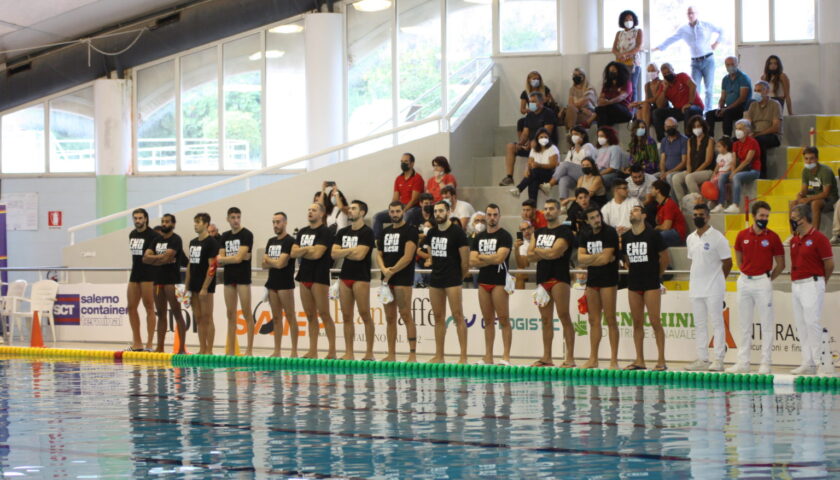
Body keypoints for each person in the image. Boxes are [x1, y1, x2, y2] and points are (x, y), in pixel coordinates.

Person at [728, 201, 784, 374]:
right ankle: (743, 362)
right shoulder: (742, 235)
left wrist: (767, 279)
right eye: (761, 216)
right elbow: (739, 257)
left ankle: (766, 363)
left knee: (766, 323)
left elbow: (781, 264)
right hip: (744, 281)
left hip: (763, 282)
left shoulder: (773, 237)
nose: (764, 219)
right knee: (744, 324)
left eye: (767, 216)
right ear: (754, 216)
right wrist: (747, 271)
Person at [528, 199, 576, 367]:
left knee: (564, 316)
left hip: (559, 277)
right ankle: (547, 357)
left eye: (551, 209)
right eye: (545, 209)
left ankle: (570, 358)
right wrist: (546, 253)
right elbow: (529, 255)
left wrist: (540, 251)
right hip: (542, 279)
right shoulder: (538, 232)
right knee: (546, 320)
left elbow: (556, 252)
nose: (547, 212)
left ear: (558, 211)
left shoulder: (565, 231)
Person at [622, 205, 669, 371]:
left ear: (643, 215)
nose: (631, 212)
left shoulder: (653, 235)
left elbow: (664, 257)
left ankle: (661, 360)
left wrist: (658, 275)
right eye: (631, 211)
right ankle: (639, 360)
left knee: (655, 321)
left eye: (635, 210)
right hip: (634, 283)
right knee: (637, 322)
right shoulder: (626, 236)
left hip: (651, 283)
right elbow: (626, 259)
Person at [685, 204, 732, 372]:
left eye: (701, 215)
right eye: (695, 214)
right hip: (696, 288)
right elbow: (695, 261)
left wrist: (718, 280)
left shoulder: (718, 238)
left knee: (717, 323)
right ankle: (702, 358)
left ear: (708, 217)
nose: (698, 217)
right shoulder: (690, 238)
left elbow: (728, 262)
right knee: (700, 324)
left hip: (714, 288)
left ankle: (719, 359)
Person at [789, 204, 834, 375]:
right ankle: (807, 361)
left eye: (794, 218)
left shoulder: (819, 238)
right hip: (797, 285)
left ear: (804, 218)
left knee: (811, 322)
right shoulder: (794, 240)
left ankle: (819, 361)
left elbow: (829, 264)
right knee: (801, 325)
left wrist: (821, 281)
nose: (792, 221)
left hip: (812, 283)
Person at [653, 5, 725, 111]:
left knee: (709, 89)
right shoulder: (683, 29)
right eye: (688, 13)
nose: (691, 15)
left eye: (692, 13)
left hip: (708, 59)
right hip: (695, 62)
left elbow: (722, 30)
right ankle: (696, 109)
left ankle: (708, 112)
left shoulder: (706, 25)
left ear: (697, 13)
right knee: (695, 87)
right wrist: (659, 47)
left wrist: (716, 43)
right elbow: (672, 39)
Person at [424, 200, 470, 363]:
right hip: (436, 279)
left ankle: (463, 356)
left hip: (453, 279)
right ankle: (439, 356)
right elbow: (431, 256)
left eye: (441, 211)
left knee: (458, 316)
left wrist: (459, 278)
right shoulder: (431, 233)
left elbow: (465, 261)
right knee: (438, 318)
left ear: (449, 212)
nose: (438, 214)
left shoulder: (457, 232)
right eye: (435, 211)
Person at [331, 200, 376, 361]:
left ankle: (369, 352)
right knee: (346, 316)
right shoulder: (343, 232)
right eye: (349, 208)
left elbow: (360, 255)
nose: (350, 211)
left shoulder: (367, 232)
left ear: (362, 212)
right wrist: (351, 250)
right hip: (345, 277)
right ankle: (349, 352)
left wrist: (344, 251)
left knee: (365, 314)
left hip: (361, 277)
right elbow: (334, 254)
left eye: (354, 208)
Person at [469, 204, 513, 365]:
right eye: (489, 214)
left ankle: (506, 356)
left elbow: (499, 259)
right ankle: (488, 356)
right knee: (488, 321)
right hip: (483, 282)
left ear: (499, 216)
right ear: (486, 216)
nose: (492, 217)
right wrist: (490, 257)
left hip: (499, 281)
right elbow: (471, 260)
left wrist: (482, 257)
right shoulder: (479, 237)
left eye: (495, 214)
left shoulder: (505, 236)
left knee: (503, 319)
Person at [291, 203, 336, 359]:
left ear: (322, 214)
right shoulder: (302, 231)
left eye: (314, 210)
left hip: (319, 276)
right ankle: (313, 350)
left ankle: (332, 351)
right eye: (309, 209)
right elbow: (293, 253)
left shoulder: (325, 232)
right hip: (304, 276)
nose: (310, 212)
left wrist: (302, 251)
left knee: (324, 313)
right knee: (310, 315)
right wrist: (308, 249)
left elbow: (317, 254)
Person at [577, 207, 620, 369]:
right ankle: (593, 358)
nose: (596, 219)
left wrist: (591, 259)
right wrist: (598, 257)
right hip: (592, 281)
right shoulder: (585, 234)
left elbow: (606, 259)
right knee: (593, 320)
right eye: (593, 217)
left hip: (608, 281)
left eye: (598, 216)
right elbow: (581, 259)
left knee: (610, 319)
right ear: (587, 221)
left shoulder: (609, 232)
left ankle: (614, 360)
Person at [376, 201, 419, 362]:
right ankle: (391, 354)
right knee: (390, 318)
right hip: (386, 280)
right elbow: (378, 254)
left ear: (403, 212)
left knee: (406, 314)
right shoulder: (384, 231)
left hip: (402, 279)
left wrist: (390, 271)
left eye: (397, 211)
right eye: (392, 211)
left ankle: (412, 354)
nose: (395, 214)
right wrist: (384, 270)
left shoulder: (410, 231)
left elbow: (408, 257)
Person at [142, 213, 186, 353]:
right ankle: (160, 347)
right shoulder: (156, 239)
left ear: (173, 224)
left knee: (177, 313)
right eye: (162, 221)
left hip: (173, 281)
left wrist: (154, 258)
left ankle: (181, 349)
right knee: (161, 314)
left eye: (167, 222)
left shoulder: (176, 239)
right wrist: (161, 258)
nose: (164, 224)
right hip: (158, 281)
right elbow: (145, 259)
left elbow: (167, 258)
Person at [217, 207, 255, 356]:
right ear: (228, 219)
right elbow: (220, 261)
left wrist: (228, 259)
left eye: (238, 217)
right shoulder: (225, 236)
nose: (236, 220)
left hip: (243, 278)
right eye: (233, 217)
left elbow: (237, 258)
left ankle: (249, 350)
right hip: (229, 278)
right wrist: (234, 258)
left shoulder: (247, 234)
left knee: (246, 313)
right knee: (230, 314)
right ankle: (231, 351)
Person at [500, 91, 558, 186]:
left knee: (533, 143)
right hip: (531, 145)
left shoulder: (548, 113)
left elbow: (546, 133)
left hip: (545, 145)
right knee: (510, 146)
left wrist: (532, 142)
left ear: (541, 102)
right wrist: (521, 143)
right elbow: (525, 133)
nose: (531, 104)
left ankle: (530, 175)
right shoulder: (529, 115)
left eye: (534, 101)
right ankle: (509, 177)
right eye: (530, 102)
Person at [261, 211, 298, 358]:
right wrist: (272, 262)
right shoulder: (271, 241)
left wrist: (269, 260)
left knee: (290, 317)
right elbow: (263, 265)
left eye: (278, 222)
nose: (275, 225)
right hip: (272, 283)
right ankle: (277, 351)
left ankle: (294, 351)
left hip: (285, 284)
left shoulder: (290, 241)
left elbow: (281, 264)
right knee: (276, 318)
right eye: (274, 222)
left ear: (285, 223)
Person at [185, 212, 218, 355]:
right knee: (198, 317)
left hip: (206, 286)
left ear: (206, 224)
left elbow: (212, 266)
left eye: (198, 222)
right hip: (193, 284)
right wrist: (186, 286)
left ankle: (209, 350)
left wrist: (205, 287)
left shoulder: (211, 242)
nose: (195, 225)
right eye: (195, 222)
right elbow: (190, 266)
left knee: (207, 317)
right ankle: (202, 348)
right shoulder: (193, 242)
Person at [127, 208, 159, 352]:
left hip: (149, 274)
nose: (138, 221)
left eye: (140, 218)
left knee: (149, 307)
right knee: (131, 307)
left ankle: (150, 343)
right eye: (135, 218)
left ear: (145, 219)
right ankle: (137, 342)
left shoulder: (153, 235)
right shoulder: (132, 234)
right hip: (135, 274)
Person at [373, 153, 424, 238]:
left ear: (412, 163)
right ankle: (377, 242)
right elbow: (395, 198)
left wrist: (403, 211)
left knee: (406, 215)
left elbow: (414, 199)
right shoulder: (398, 179)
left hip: (413, 208)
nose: (403, 163)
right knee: (377, 217)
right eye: (402, 161)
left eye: (406, 161)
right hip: (401, 207)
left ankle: (400, 240)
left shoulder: (417, 178)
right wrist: (392, 210)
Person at [652, 63, 704, 140]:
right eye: (665, 74)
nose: (667, 75)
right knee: (657, 112)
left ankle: (688, 138)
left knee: (688, 110)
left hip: (694, 106)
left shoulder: (682, 76)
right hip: (679, 110)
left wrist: (690, 103)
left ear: (673, 70)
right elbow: (659, 105)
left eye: (669, 72)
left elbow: (693, 85)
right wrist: (665, 89)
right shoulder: (664, 85)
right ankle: (662, 140)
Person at [793, 146, 838, 234]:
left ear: (817, 159)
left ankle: (814, 234)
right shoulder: (805, 171)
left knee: (815, 203)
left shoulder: (825, 171)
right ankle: (795, 233)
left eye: (811, 159)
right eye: (806, 159)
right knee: (793, 203)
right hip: (817, 196)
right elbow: (804, 191)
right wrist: (800, 195)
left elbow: (825, 193)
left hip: (830, 199)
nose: (809, 162)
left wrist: (808, 199)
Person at [705, 56, 751, 137]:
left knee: (727, 113)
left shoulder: (743, 78)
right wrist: (720, 107)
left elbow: (742, 99)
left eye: (732, 64)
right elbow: (722, 97)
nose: (730, 67)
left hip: (741, 109)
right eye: (728, 65)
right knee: (709, 114)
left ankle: (726, 137)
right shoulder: (725, 79)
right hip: (728, 108)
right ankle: (709, 138)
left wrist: (726, 109)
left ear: (737, 64)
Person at [744, 81, 782, 177]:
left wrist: (758, 134)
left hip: (772, 136)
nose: (756, 93)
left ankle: (761, 174)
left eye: (759, 90)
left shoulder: (775, 104)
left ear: (767, 91)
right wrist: (748, 132)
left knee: (759, 141)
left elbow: (775, 127)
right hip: (755, 134)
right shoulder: (753, 105)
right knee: (736, 140)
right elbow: (747, 123)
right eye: (755, 90)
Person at [510, 127, 559, 201]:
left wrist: (539, 165)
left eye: (545, 137)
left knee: (535, 171)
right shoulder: (534, 149)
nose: (543, 138)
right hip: (537, 174)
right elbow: (530, 163)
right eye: (541, 137)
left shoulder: (552, 148)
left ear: (549, 138)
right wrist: (527, 170)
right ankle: (532, 205)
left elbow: (553, 165)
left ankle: (519, 188)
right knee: (533, 181)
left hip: (550, 175)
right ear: (537, 138)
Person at [547, 127, 596, 199]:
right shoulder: (572, 149)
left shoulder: (588, 146)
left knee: (566, 165)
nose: (573, 136)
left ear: (582, 135)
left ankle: (549, 185)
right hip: (575, 176)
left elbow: (585, 160)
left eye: (576, 134)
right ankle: (563, 205)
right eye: (572, 134)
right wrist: (559, 165)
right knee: (564, 179)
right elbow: (567, 162)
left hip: (586, 172)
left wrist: (578, 145)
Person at [724, 119, 762, 213]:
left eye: (740, 128)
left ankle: (735, 205)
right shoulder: (736, 144)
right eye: (736, 129)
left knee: (736, 176)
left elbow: (747, 161)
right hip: (740, 169)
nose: (738, 131)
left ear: (747, 130)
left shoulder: (752, 142)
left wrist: (734, 172)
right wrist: (732, 171)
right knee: (722, 177)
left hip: (753, 170)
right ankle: (721, 204)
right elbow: (733, 160)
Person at [673, 116, 715, 199]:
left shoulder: (710, 140)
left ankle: (699, 203)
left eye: (698, 126)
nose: (696, 128)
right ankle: (683, 204)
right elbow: (688, 159)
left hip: (707, 170)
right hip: (693, 170)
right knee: (676, 178)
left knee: (690, 177)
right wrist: (689, 170)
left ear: (703, 126)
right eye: (694, 127)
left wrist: (694, 172)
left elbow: (708, 161)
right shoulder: (690, 141)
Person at [611, 10, 643, 102]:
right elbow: (614, 49)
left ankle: (633, 111)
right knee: (620, 86)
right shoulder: (619, 33)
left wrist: (626, 54)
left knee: (632, 87)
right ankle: (622, 107)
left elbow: (638, 47)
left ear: (634, 20)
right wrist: (619, 55)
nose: (628, 21)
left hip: (633, 63)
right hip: (620, 64)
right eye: (626, 19)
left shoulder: (638, 31)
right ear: (622, 21)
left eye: (631, 19)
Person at [595, 62, 633, 126]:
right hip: (610, 111)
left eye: (613, 71)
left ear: (620, 71)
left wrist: (608, 102)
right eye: (610, 71)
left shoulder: (626, 83)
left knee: (607, 108)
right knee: (600, 109)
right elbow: (601, 97)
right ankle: (603, 132)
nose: (611, 73)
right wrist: (600, 101)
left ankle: (602, 132)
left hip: (624, 111)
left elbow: (621, 97)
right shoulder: (607, 85)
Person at [652, 180, 687, 247]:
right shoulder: (661, 205)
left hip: (677, 234)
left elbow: (666, 227)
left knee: (655, 237)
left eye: (652, 188)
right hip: (670, 232)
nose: (651, 190)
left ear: (658, 190)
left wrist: (656, 227)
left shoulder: (669, 204)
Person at [658, 117, 688, 186]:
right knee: (653, 177)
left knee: (669, 177)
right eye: (668, 127)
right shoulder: (664, 141)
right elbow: (662, 160)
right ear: (665, 127)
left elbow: (684, 162)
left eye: (673, 127)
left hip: (679, 171)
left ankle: (673, 197)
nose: (671, 129)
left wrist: (669, 172)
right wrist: (662, 171)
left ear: (677, 127)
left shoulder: (684, 140)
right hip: (666, 171)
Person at [710, 137, 736, 212]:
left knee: (718, 180)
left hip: (726, 173)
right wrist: (714, 173)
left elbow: (731, 165)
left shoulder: (730, 155)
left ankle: (721, 201)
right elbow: (717, 166)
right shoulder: (719, 156)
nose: (717, 149)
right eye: (717, 147)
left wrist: (725, 171)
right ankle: (714, 200)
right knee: (712, 181)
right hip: (719, 173)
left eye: (719, 146)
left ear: (726, 147)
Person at [513, 220, 534, 290]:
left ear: (533, 228)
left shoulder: (541, 238)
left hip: (543, 268)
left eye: (528, 228)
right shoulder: (522, 245)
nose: (526, 231)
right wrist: (516, 249)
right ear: (520, 232)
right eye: (523, 230)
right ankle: (519, 299)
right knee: (519, 272)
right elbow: (522, 265)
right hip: (530, 271)